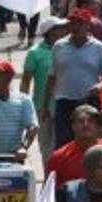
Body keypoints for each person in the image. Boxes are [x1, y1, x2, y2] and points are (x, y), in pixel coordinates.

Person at [45, 9, 102, 148]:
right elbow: (52, 76)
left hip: (89, 102)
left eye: (79, 23)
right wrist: (45, 105)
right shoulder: (59, 46)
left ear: (88, 25)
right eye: (72, 23)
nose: (75, 27)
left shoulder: (98, 47)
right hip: (64, 103)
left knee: (91, 144)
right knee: (64, 145)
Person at [21, 17, 67, 159]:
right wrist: (24, 105)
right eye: (60, 28)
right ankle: (49, 176)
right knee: (46, 146)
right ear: (51, 32)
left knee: (63, 145)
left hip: (64, 105)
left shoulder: (66, 47)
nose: (64, 30)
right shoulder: (35, 52)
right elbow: (26, 81)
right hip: (42, 107)